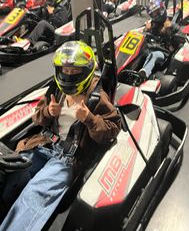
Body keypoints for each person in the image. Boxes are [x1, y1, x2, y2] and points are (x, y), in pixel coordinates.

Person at [0, 40, 121, 231]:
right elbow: (37, 118)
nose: (69, 75)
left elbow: (113, 128)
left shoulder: (97, 96)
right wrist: (48, 112)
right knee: (10, 174)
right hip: (42, 145)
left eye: (74, 72)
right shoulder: (56, 89)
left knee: (35, 192)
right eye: (65, 70)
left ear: (86, 72)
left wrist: (89, 118)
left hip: (68, 158)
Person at [139, 0, 180, 81]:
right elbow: (144, 36)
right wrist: (146, 30)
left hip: (163, 52)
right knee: (139, 52)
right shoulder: (152, 25)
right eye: (153, 13)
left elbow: (180, 36)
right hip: (150, 48)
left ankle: (143, 74)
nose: (156, 15)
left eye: (157, 12)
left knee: (154, 55)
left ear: (162, 10)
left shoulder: (171, 25)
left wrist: (168, 28)